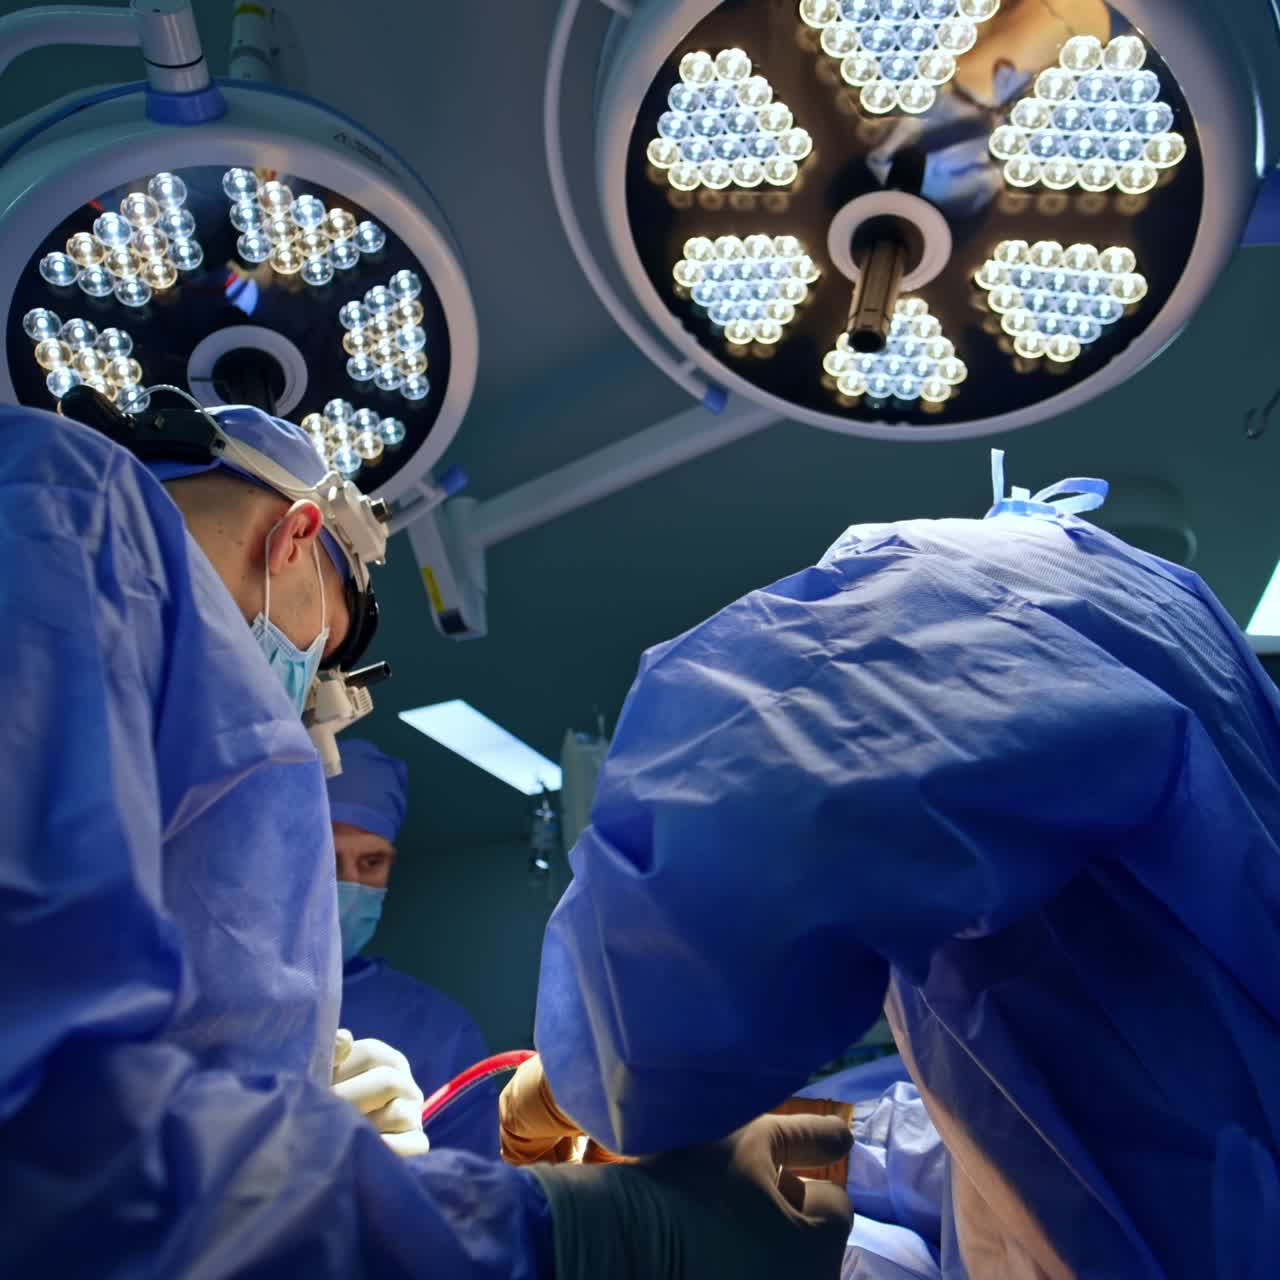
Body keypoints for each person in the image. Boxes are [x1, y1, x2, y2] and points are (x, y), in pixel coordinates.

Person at [0, 391, 853, 1278]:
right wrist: (564, 1232)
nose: (298, 706)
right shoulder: (61, 507)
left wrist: (301, 1113)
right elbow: (53, 1146)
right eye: (321, 653)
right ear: (293, 539)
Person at [516, 451, 1280, 1279]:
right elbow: (1058, 1122)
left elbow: (718, 876)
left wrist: (573, 1079)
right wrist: (839, 1145)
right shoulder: (1172, 645)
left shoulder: (974, 597)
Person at [329, 737, 499, 1157]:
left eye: (371, 862)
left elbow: (476, 1206)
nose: (350, 885)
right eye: (327, 859)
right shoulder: (213, 1000)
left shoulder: (441, 1031)